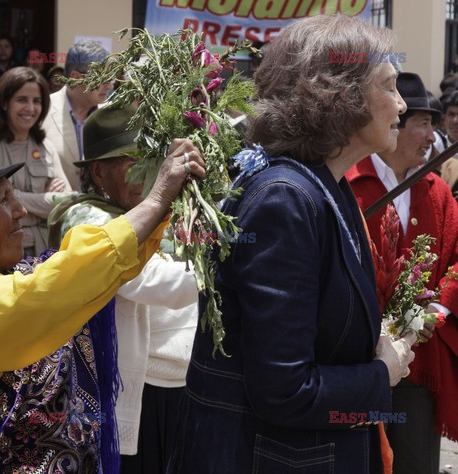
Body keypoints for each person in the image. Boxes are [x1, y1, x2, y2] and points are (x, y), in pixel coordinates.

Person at [167, 15, 417, 474]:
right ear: (340, 95)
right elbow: (284, 390)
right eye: (389, 86)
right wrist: (382, 373)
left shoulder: (323, 186)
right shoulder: (285, 199)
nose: (402, 104)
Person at [0, 137, 205, 472]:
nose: (21, 210)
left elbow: (93, 274)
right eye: (3, 200)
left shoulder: (13, 273)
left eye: (15, 195)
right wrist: (156, 200)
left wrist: (162, 206)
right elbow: (52, 290)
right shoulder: (5, 295)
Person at [48, 105, 199, 474]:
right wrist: (228, 269)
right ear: (98, 172)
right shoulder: (84, 218)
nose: (146, 177)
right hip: (139, 395)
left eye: (151, 164)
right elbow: (153, 281)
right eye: (131, 164)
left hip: (185, 387)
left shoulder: (162, 208)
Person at [347, 72, 458, 474]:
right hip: (355, 362)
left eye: (434, 125)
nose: (433, 136)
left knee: (414, 462)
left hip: (418, 362)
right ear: (396, 123)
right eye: (423, 124)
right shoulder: (349, 183)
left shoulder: (438, 191)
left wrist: (436, 312)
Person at [0, 66, 71, 256]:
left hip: (47, 253)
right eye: (22, 100)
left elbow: (67, 204)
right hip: (3, 255)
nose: (30, 108)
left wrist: (14, 198)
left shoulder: (46, 146)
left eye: (36, 101)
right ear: (5, 103)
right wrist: (47, 201)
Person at [43, 40, 112, 190]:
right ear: (76, 77)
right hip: (56, 209)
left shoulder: (111, 114)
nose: (110, 85)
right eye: (103, 79)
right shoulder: (43, 110)